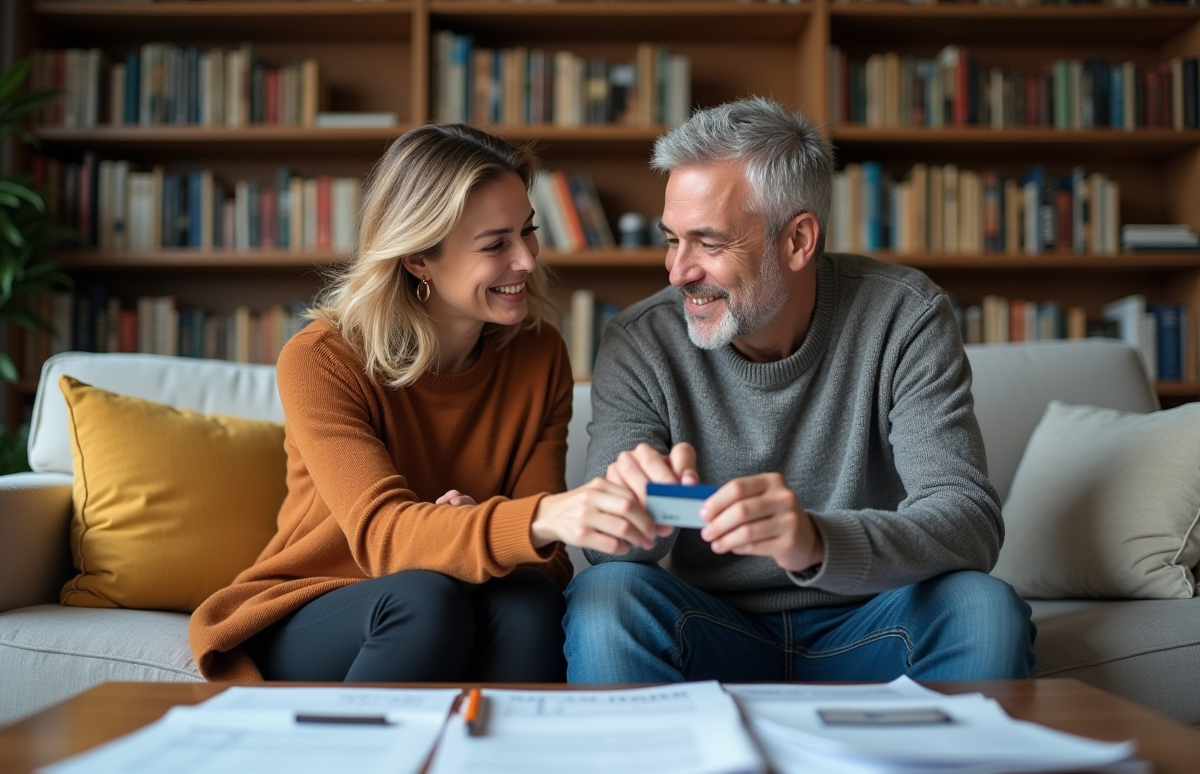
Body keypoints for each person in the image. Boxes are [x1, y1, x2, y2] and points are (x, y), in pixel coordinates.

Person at [564, 97, 1035, 684]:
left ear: (797, 241)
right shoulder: (640, 340)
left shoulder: (904, 315)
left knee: (982, 608)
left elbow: (967, 520)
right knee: (607, 595)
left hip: (871, 622)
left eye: (708, 243)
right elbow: (605, 555)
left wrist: (817, 540)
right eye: (671, 240)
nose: (678, 271)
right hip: (710, 628)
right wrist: (634, 515)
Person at [189, 123, 661, 684]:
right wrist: (532, 519)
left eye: (527, 232)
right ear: (418, 258)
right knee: (423, 599)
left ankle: (505, 770)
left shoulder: (539, 355)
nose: (528, 261)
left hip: (458, 595)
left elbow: (551, 561)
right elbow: (383, 537)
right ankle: (351, 770)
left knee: (530, 602)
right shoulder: (321, 359)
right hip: (322, 599)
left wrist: (476, 532)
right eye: (495, 245)